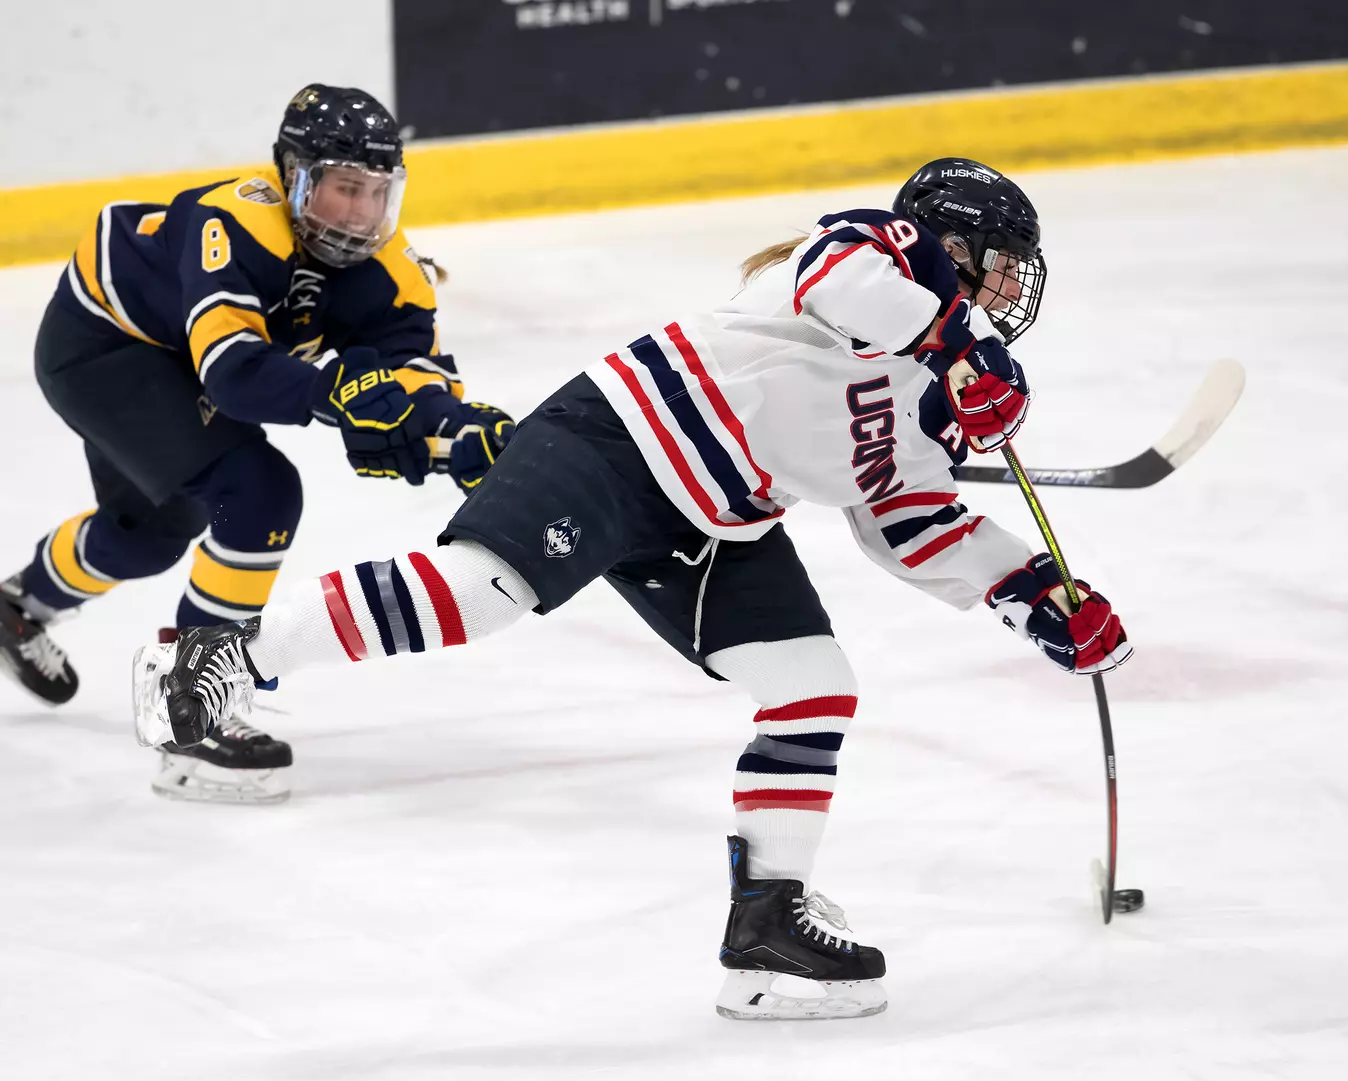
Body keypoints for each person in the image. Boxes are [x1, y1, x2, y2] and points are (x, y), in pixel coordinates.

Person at [131, 158, 1132, 1019]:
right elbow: (841, 280)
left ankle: (766, 926)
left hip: (715, 522)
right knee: (483, 592)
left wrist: (1034, 594)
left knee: (812, 687)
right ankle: (232, 656)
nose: (1008, 290)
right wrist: (960, 345)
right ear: (949, 245)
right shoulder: (875, 254)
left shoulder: (934, 399)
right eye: (998, 264)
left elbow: (908, 520)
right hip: (615, 441)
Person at [0, 85, 514, 804]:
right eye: (343, 188)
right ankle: (189, 714)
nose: (362, 215)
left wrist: (450, 429)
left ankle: (20, 604)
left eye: (376, 192)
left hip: (173, 360)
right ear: (293, 174)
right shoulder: (234, 223)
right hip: (105, 346)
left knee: (150, 536)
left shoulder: (392, 267)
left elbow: (411, 375)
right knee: (257, 491)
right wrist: (339, 394)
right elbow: (237, 378)